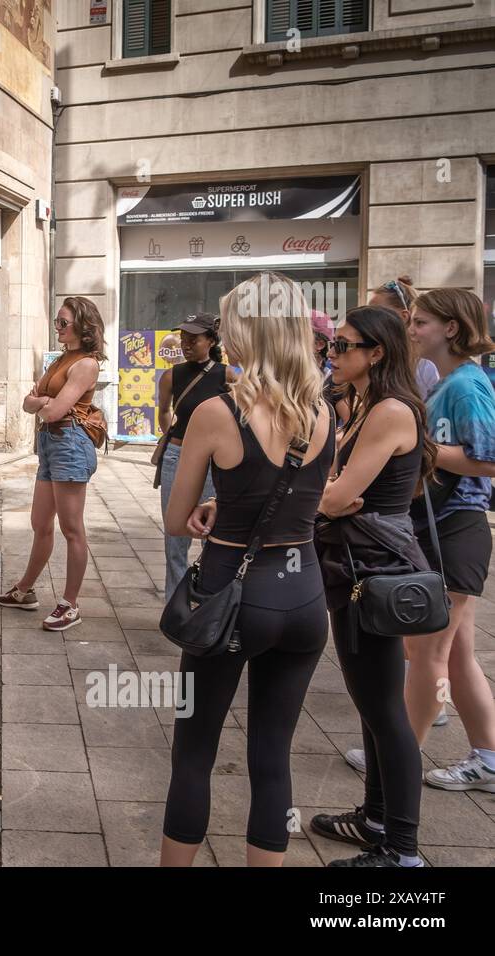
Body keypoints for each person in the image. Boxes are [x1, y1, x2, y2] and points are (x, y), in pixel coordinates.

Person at [160, 272, 335, 867]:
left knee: (194, 751)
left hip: (233, 593)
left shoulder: (217, 411)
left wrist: (214, 510)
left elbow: (176, 518)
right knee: (272, 754)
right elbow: (295, 498)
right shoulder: (323, 410)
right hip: (306, 594)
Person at [312, 306, 435, 867]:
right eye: (333, 346)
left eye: (343, 346)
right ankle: (376, 817)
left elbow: (335, 498)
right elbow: (334, 485)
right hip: (354, 564)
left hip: (373, 569)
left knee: (385, 709)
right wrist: (333, 489)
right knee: (369, 703)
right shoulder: (363, 406)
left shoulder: (388, 410)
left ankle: (402, 852)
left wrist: (328, 493)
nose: (332, 355)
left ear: (376, 352)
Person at [402, 288, 495, 794]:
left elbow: (489, 458)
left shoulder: (464, 385)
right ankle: (488, 757)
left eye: (420, 322)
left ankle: (398, 756)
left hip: (455, 531)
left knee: (427, 653)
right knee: (455, 655)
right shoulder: (450, 383)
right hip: (450, 531)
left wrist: (420, 447)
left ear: (451, 328)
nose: (412, 330)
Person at [0, 297, 104, 630]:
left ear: (82, 326)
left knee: (72, 528)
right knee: (39, 522)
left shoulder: (86, 363)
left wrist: (42, 402)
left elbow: (54, 410)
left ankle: (70, 604)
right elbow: (30, 404)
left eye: (63, 322)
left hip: (70, 443)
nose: (57, 327)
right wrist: (43, 402)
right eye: (56, 322)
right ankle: (25, 591)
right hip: (50, 442)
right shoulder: (61, 359)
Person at [155, 313, 232, 595]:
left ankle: (207, 597)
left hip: (214, 462)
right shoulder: (172, 375)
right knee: (174, 534)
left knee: (208, 530)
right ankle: (174, 602)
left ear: (210, 341)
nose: (186, 344)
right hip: (177, 455)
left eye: (193, 339)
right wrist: (171, 435)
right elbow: (164, 410)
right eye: (184, 338)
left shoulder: (228, 376)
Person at [369, 276, 439, 397]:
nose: (368, 319)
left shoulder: (426, 367)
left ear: (403, 317)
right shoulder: (374, 359)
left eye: (376, 313)